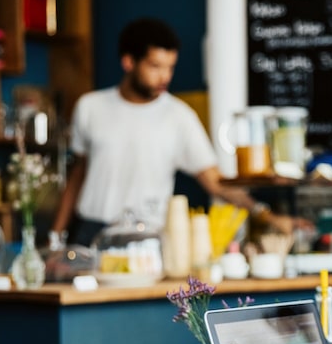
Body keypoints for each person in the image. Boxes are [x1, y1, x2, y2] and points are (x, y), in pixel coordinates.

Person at [51, 17, 297, 247]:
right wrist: (56, 237)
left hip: (147, 238)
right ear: (128, 62)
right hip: (89, 231)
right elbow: (77, 174)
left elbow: (216, 183)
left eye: (170, 67)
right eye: (155, 66)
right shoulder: (90, 107)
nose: (165, 77)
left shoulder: (179, 117)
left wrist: (268, 217)